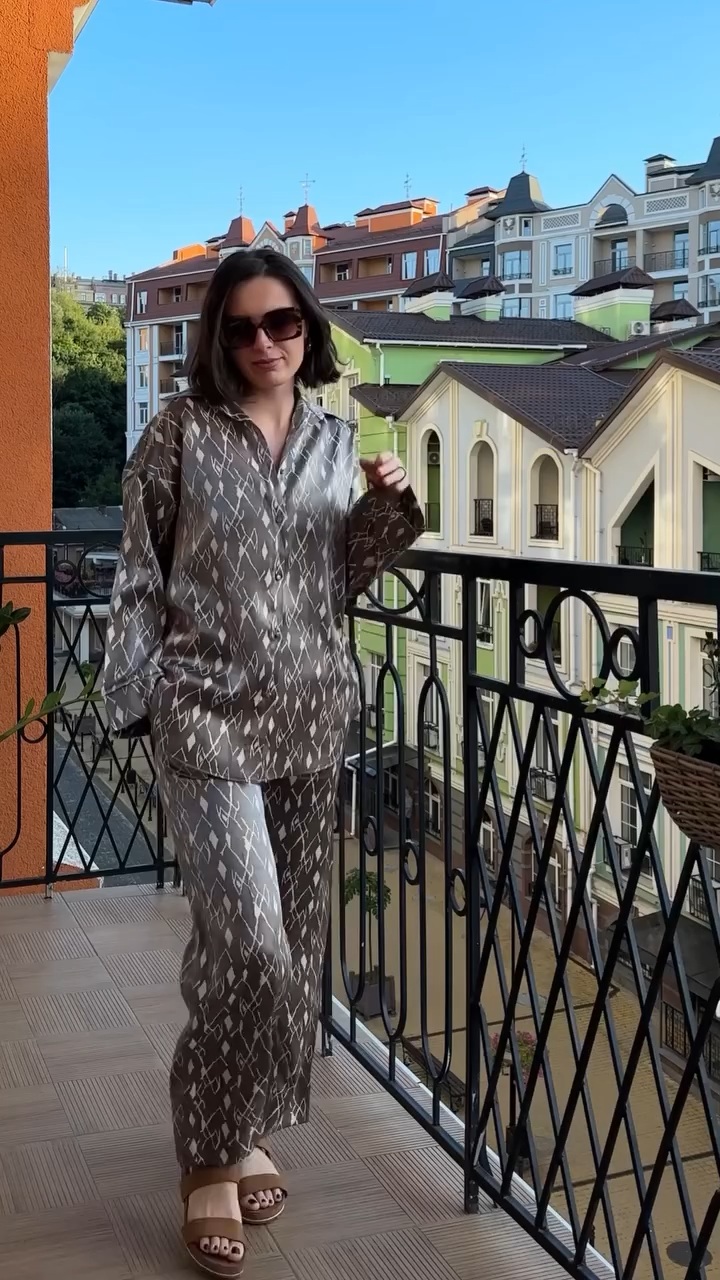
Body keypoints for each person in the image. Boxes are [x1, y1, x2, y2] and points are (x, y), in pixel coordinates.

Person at [103, 247, 424, 1277]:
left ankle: (243, 1127)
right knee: (248, 941)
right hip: (204, 718)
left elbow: (339, 577)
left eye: (281, 321)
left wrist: (391, 509)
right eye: (241, 327)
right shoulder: (180, 432)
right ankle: (208, 1152)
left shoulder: (336, 439)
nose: (264, 342)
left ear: (308, 326)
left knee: (293, 947)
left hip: (310, 718)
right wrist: (134, 697)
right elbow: (139, 571)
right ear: (218, 338)